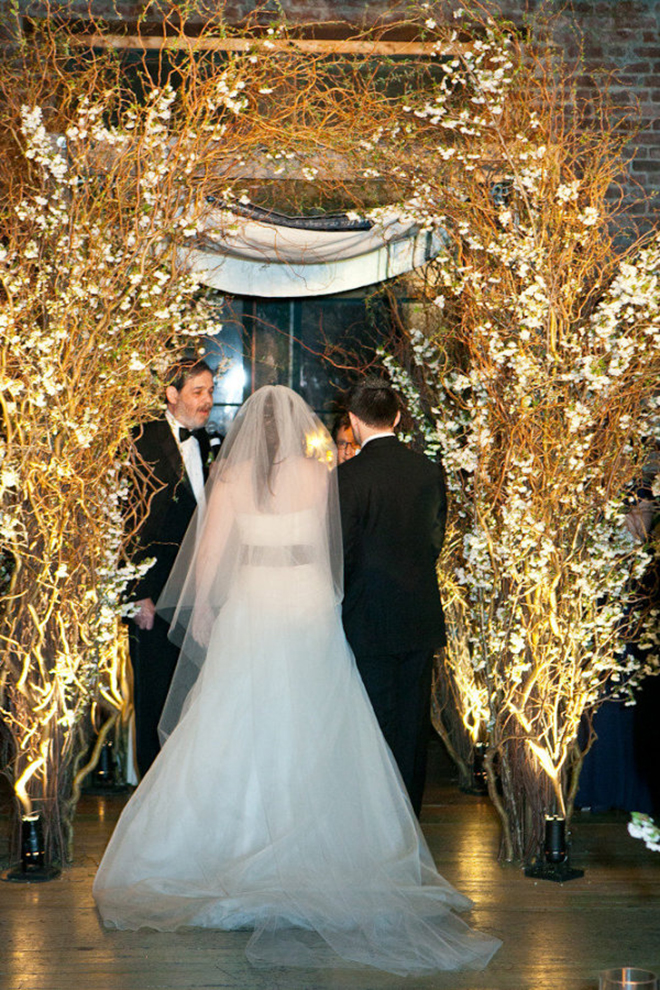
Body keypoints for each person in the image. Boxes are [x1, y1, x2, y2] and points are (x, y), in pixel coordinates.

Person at [94, 385, 500, 976]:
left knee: (237, 717)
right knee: (317, 715)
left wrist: (204, 608)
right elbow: (335, 551)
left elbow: (208, 555)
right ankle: (334, 845)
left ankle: (227, 842)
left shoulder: (231, 480)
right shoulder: (322, 475)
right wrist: (331, 600)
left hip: (254, 603)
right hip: (307, 602)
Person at [338, 377, 447, 816]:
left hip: (366, 617)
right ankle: (408, 820)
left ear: (353, 421)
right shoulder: (428, 470)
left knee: (373, 723)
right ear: (398, 418)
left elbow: (339, 551)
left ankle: (377, 822)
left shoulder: (348, 476)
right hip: (419, 614)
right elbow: (436, 537)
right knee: (411, 727)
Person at [126, 358, 215, 777]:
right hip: (154, 596)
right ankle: (151, 790)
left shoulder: (209, 443)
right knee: (154, 698)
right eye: (198, 392)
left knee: (190, 697)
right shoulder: (141, 441)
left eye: (211, 392)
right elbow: (125, 521)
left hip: (198, 597)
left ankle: (183, 786)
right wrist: (136, 594)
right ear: (172, 394)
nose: (208, 401)